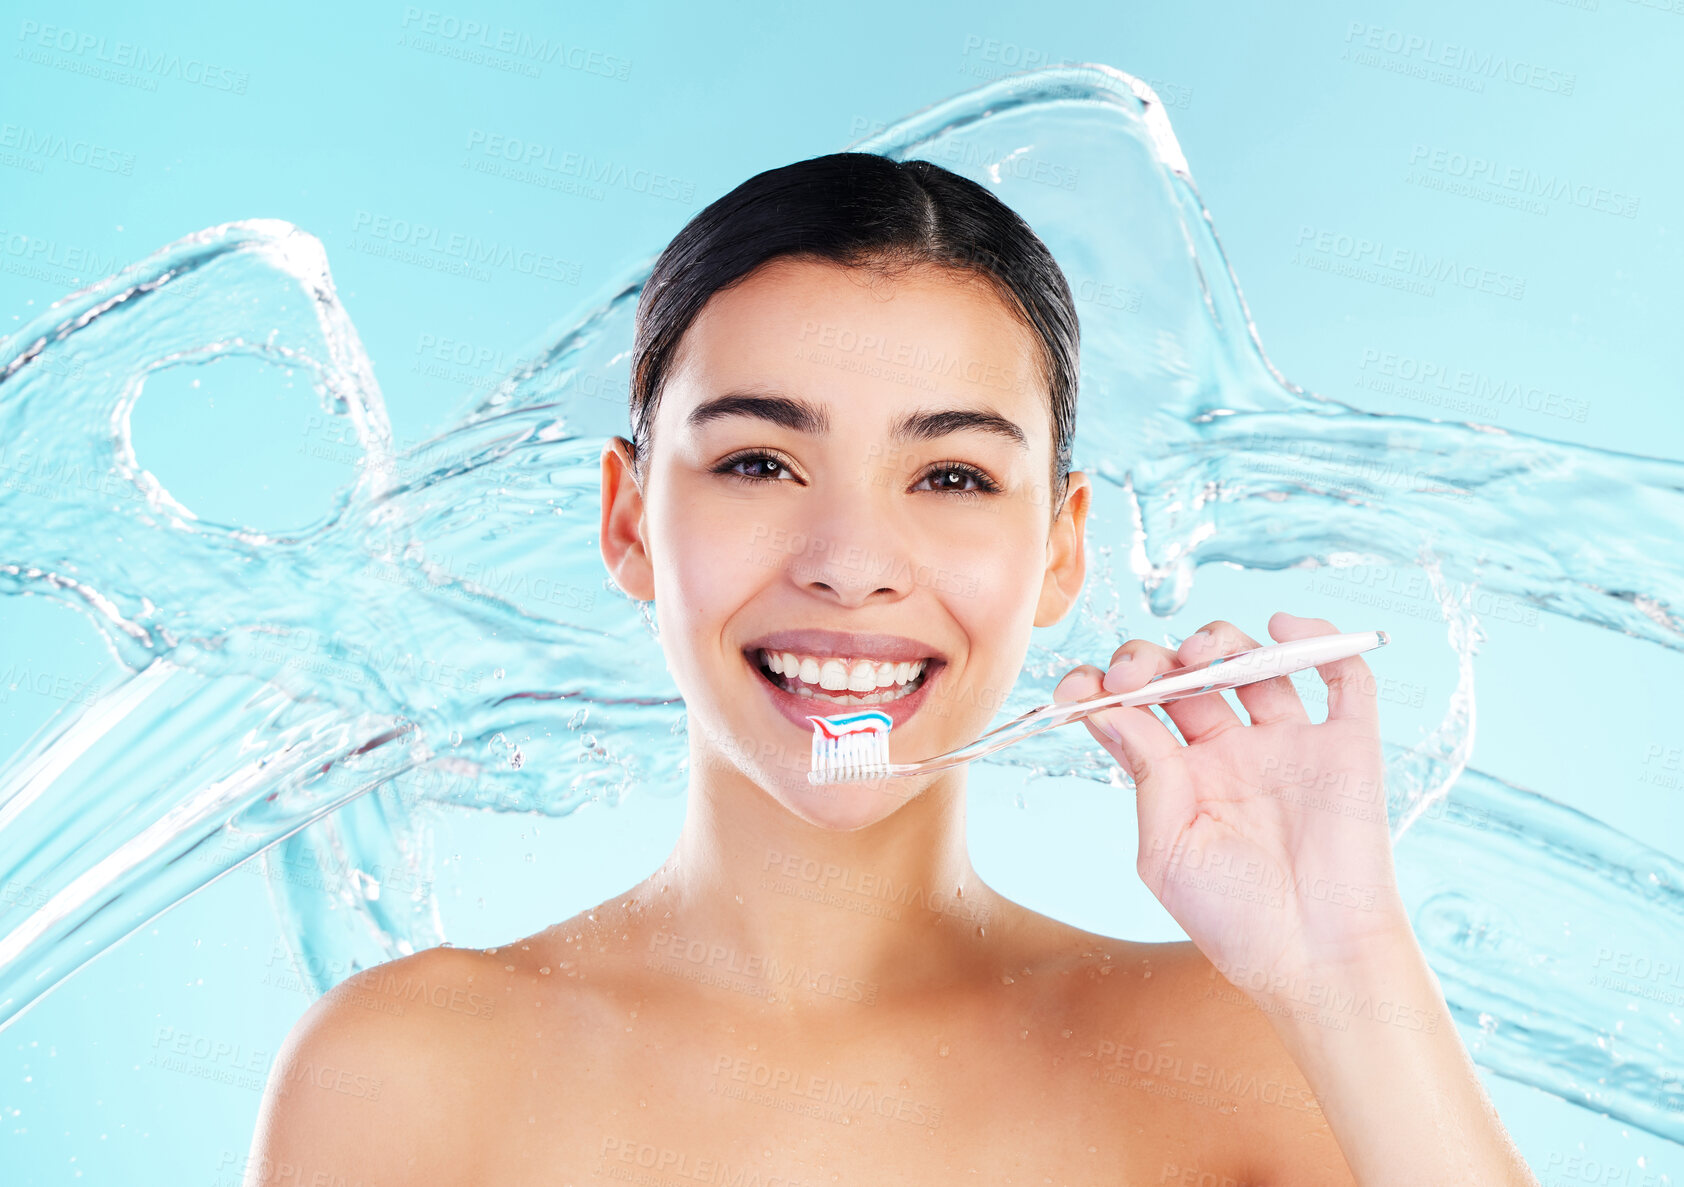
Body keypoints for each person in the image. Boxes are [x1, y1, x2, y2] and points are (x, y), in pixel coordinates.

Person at [245, 152, 1537, 1185]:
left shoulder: (1237, 1052)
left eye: (954, 476)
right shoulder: (404, 1068)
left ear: (1059, 552)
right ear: (628, 522)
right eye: (758, 461)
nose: (852, 563)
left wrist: (1351, 967)